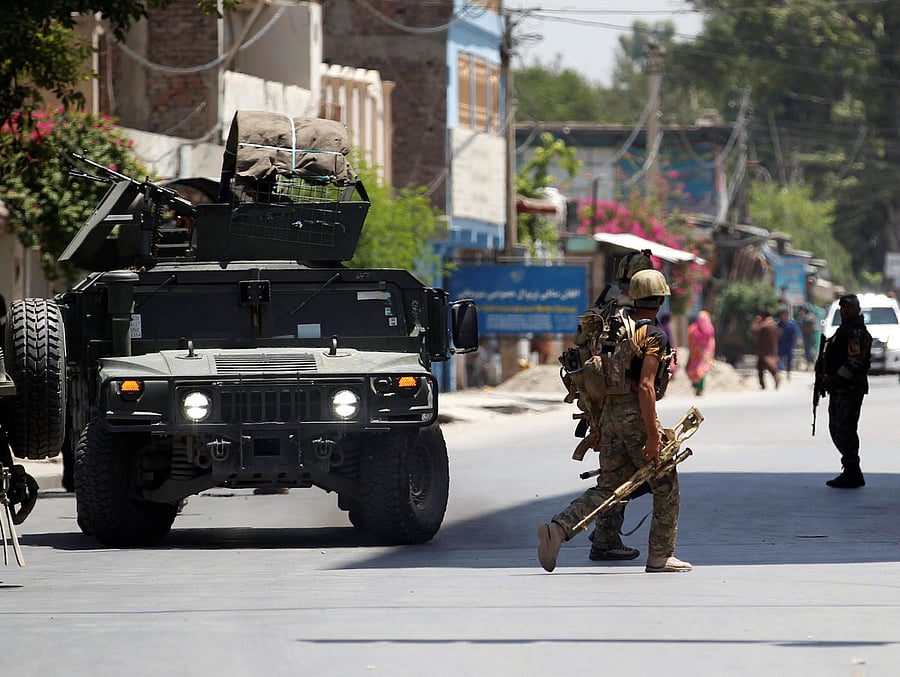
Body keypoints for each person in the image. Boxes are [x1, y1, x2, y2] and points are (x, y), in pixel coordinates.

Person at [539, 269, 690, 574]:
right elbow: (646, 387)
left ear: (634, 297)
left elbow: (598, 375)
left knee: (610, 486)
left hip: (609, 413)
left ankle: (559, 528)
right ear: (660, 299)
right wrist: (651, 435)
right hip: (635, 414)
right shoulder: (653, 335)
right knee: (665, 484)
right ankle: (660, 557)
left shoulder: (613, 331)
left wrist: (598, 424)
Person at [568, 249, 655, 563]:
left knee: (616, 474)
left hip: (601, 402)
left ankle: (605, 538)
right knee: (632, 476)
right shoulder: (628, 312)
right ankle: (598, 535)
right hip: (625, 402)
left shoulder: (603, 307)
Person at [821, 294, 872, 489]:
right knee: (836, 427)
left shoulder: (856, 334)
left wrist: (836, 378)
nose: (845, 310)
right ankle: (851, 469)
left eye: (848, 307)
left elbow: (855, 362)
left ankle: (852, 470)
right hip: (839, 389)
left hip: (850, 389)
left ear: (857, 310)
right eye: (842, 307)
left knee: (845, 428)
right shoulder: (843, 332)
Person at [686, 310, 715, 396]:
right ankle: (699, 389)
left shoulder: (692, 329)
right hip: (705, 355)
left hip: (696, 354)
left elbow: (690, 341)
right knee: (702, 371)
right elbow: (711, 341)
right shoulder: (710, 328)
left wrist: (693, 350)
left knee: (695, 371)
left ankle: (697, 387)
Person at [751, 309, 781, 389]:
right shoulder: (774, 324)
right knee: (761, 367)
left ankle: (775, 376)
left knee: (768, 365)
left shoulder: (764, 325)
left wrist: (756, 322)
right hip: (772, 349)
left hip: (764, 350)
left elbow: (754, 330)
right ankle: (763, 384)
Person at [776, 307, 799, 379]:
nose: (784, 316)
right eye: (783, 315)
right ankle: (779, 372)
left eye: (786, 315)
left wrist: (798, 340)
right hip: (780, 344)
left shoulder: (791, 325)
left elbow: (796, 333)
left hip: (789, 344)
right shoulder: (777, 325)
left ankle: (788, 372)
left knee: (789, 359)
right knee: (779, 358)